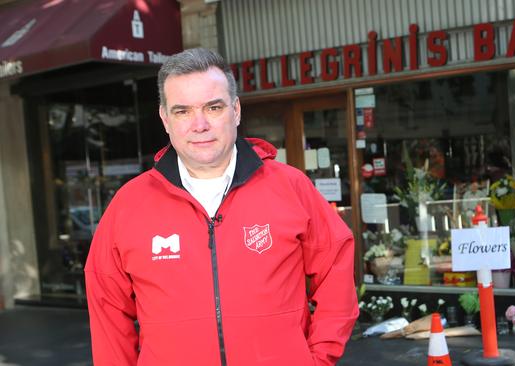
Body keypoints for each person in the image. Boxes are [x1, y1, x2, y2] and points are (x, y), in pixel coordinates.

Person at [84, 48, 359, 366]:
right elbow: (107, 308)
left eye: (213, 107)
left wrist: (318, 358)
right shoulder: (129, 204)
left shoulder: (291, 187)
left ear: (236, 110)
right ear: (165, 119)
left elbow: (335, 270)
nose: (199, 124)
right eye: (182, 111)